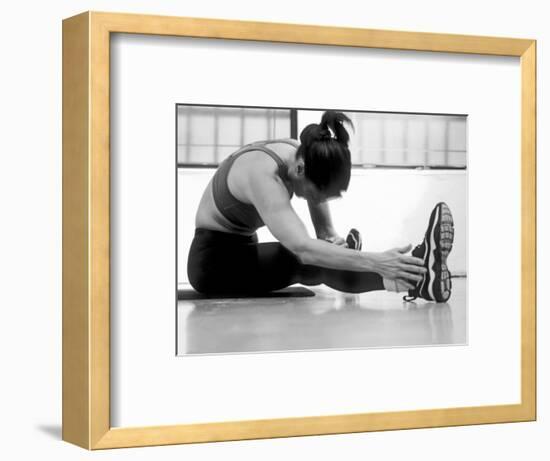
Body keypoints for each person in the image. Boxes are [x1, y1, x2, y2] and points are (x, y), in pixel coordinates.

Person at [187, 110, 453, 302]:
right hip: (212, 263)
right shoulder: (262, 173)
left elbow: (323, 232)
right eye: (317, 194)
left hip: (242, 247)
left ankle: (415, 275)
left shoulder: (303, 154)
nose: (317, 200)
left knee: (322, 252)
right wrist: (374, 261)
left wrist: (333, 243)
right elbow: (303, 249)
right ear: (301, 170)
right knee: (303, 259)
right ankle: (417, 278)